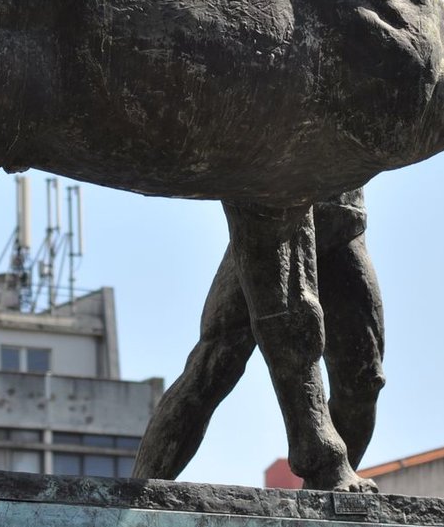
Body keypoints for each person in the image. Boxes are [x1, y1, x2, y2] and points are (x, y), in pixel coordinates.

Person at [132, 189, 385, 480]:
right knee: (216, 362)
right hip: (277, 214)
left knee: (365, 381)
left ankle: (325, 499)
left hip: (345, 218)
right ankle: (141, 493)